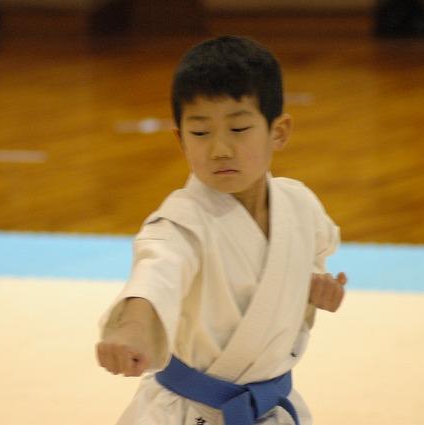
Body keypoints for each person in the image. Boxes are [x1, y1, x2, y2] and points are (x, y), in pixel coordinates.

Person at [96, 35, 347, 425]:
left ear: (278, 131)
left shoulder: (299, 205)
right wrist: (133, 328)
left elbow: (305, 259)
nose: (219, 149)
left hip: (271, 406)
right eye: (200, 133)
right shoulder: (179, 222)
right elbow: (156, 274)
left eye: (239, 128)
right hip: (186, 412)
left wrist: (314, 287)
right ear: (180, 138)